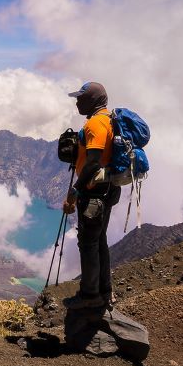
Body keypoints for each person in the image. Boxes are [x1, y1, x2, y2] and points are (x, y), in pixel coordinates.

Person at [61, 81, 121, 310]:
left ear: (93, 99)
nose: (77, 102)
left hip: (94, 194)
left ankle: (89, 296)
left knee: (88, 243)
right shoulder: (108, 120)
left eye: (81, 98)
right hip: (107, 190)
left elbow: (93, 162)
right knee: (99, 241)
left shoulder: (95, 124)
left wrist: (75, 191)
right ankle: (104, 292)